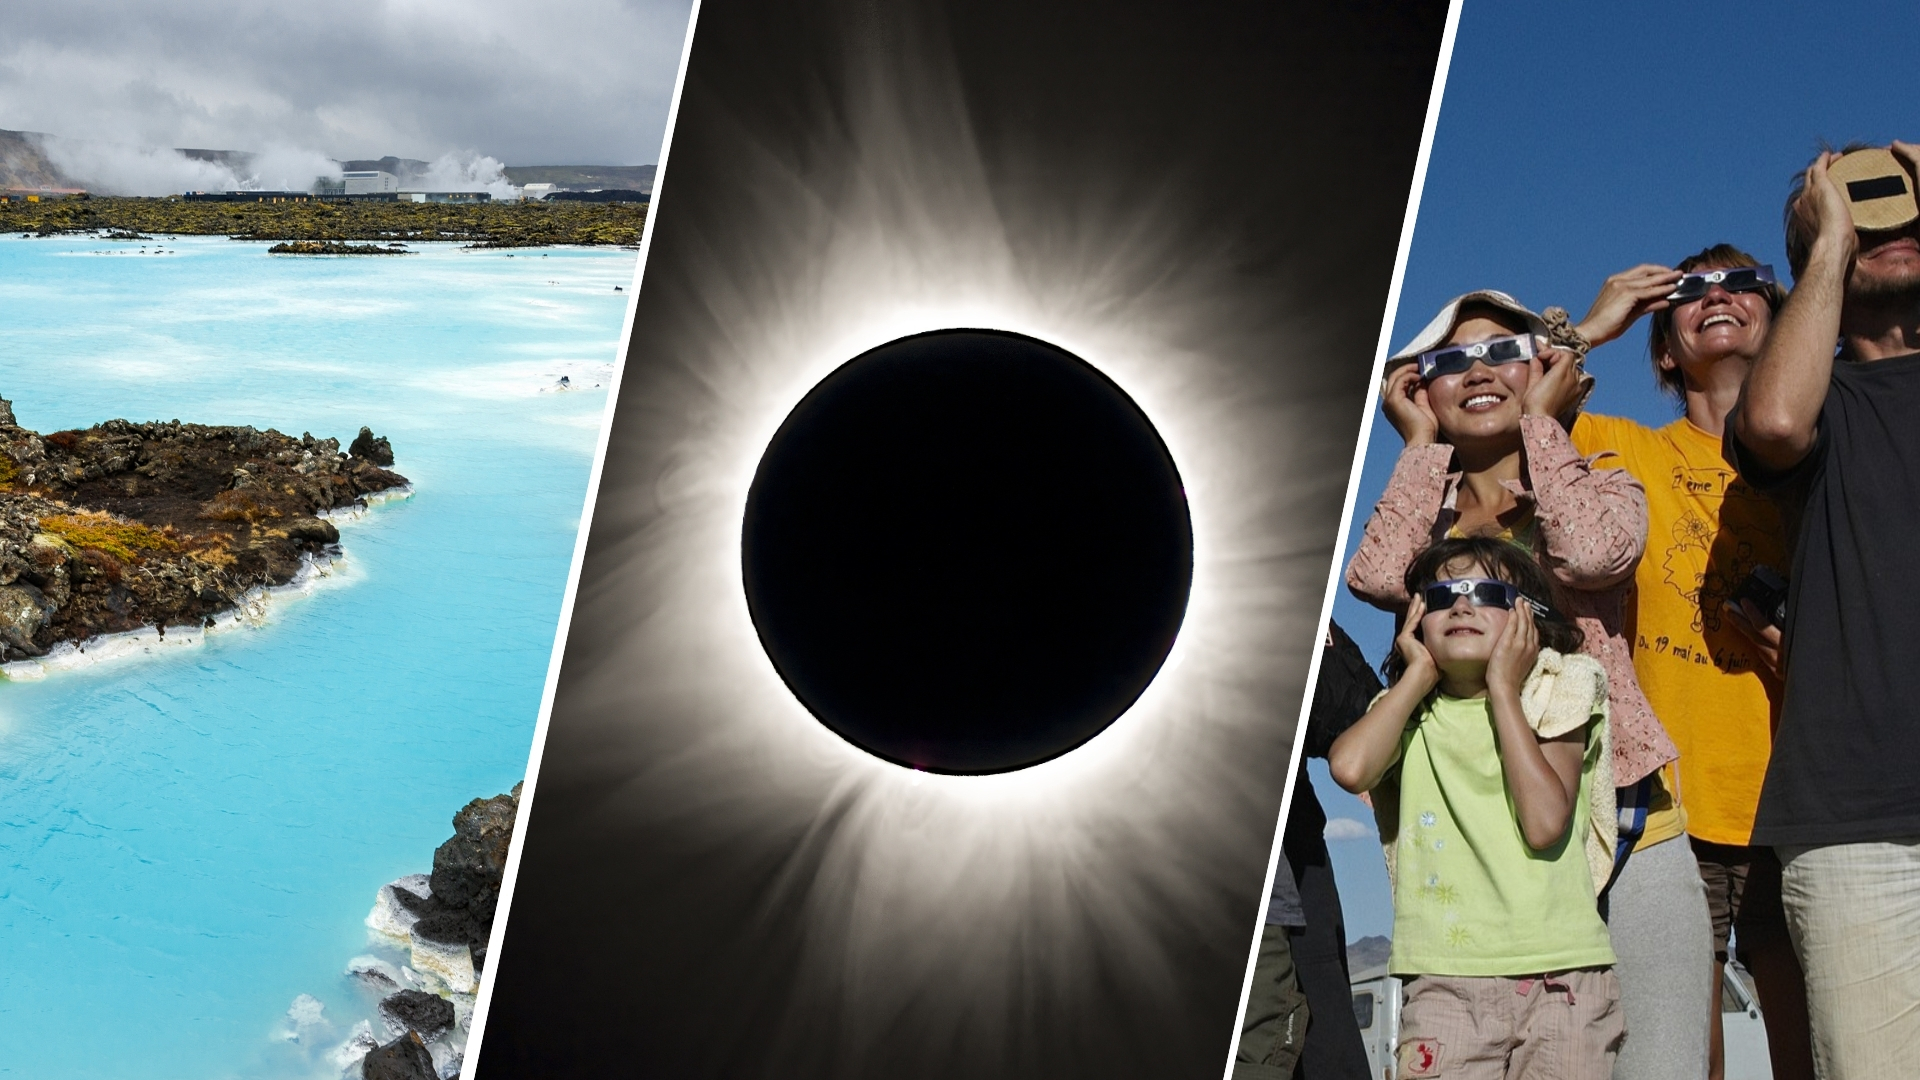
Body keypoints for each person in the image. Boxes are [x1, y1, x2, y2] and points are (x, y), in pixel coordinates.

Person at [1346, 291, 1709, 1080]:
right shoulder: (1427, 520)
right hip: (1490, 857)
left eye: (1503, 354)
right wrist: (1415, 446)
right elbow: (1374, 577)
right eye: (1447, 362)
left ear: (1541, 370)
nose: (1476, 372)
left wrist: (1545, 425)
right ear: (1421, 390)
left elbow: (1591, 556)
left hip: (1629, 822)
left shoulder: (1601, 482)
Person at [1567, 247, 1813, 1080]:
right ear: (1665, 346)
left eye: (1742, 283)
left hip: (1804, 805)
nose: (1718, 296)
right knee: (1680, 1062)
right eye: (1692, 290)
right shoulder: (1624, 447)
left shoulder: (1826, 463)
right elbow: (1513, 406)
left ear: (1783, 323)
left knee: (1818, 1053)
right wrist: (1591, 329)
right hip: (1670, 815)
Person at [1724, 141, 1920, 1073]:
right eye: (1860, 212)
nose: (1892, 226)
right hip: (1858, 823)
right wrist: (1827, 248)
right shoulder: (1816, 392)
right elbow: (1772, 425)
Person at [1329, 536, 1622, 1080]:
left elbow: (1543, 824)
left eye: (1484, 591)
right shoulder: (1405, 713)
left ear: (1527, 616)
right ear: (1417, 619)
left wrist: (1504, 692)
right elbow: (1348, 769)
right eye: (1441, 597)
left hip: (1563, 978)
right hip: (1443, 981)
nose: (1461, 605)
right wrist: (1416, 675)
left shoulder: (1562, 685)